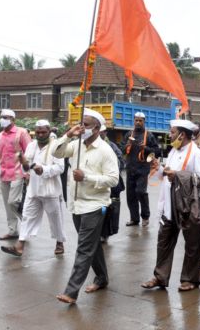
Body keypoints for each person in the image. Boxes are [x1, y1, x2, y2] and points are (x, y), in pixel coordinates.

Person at [52, 108, 119, 304]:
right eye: (81, 124)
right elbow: (57, 152)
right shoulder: (76, 144)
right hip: (76, 204)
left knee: (83, 248)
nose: (83, 128)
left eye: (86, 125)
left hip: (95, 205)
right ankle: (102, 278)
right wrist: (68, 134)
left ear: (97, 128)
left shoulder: (105, 150)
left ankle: (71, 292)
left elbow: (113, 180)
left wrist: (86, 177)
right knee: (92, 245)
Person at [141, 120, 200, 291]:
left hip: (188, 203)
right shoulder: (172, 151)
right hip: (169, 203)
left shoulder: (196, 153)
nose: (169, 135)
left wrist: (177, 175)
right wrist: (160, 169)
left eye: (172, 132)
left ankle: (190, 279)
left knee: (192, 242)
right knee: (164, 241)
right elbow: (167, 175)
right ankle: (160, 277)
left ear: (182, 135)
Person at [0, 120, 66, 257]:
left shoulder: (56, 146)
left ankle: (59, 242)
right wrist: (23, 161)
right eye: (38, 132)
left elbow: (60, 168)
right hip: (34, 189)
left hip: (51, 190)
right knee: (27, 217)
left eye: (43, 132)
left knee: (55, 219)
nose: (40, 134)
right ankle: (20, 245)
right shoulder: (31, 145)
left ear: (49, 132)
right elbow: (27, 167)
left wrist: (43, 169)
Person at [0, 109, 32, 240]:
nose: (2, 119)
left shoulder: (21, 133)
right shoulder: (0, 135)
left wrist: (28, 172)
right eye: (1, 117)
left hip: (18, 172)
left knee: (13, 202)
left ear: (13, 119)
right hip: (4, 173)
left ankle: (27, 222)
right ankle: (13, 231)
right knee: (7, 204)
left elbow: (29, 152)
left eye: (6, 117)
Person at [124, 112, 160, 227]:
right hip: (130, 169)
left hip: (142, 169)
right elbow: (121, 149)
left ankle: (145, 216)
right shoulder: (129, 134)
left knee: (140, 192)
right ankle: (134, 219)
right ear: (133, 121)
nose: (138, 122)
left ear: (144, 122)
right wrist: (127, 145)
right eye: (136, 120)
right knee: (130, 195)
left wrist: (146, 148)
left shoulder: (148, 135)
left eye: (140, 120)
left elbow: (157, 151)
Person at [99, 125, 125, 242]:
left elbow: (121, 162)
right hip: (97, 184)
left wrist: (111, 173)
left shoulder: (112, 146)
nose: (99, 135)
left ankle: (105, 233)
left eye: (101, 132)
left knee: (109, 210)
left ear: (105, 132)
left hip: (111, 185)